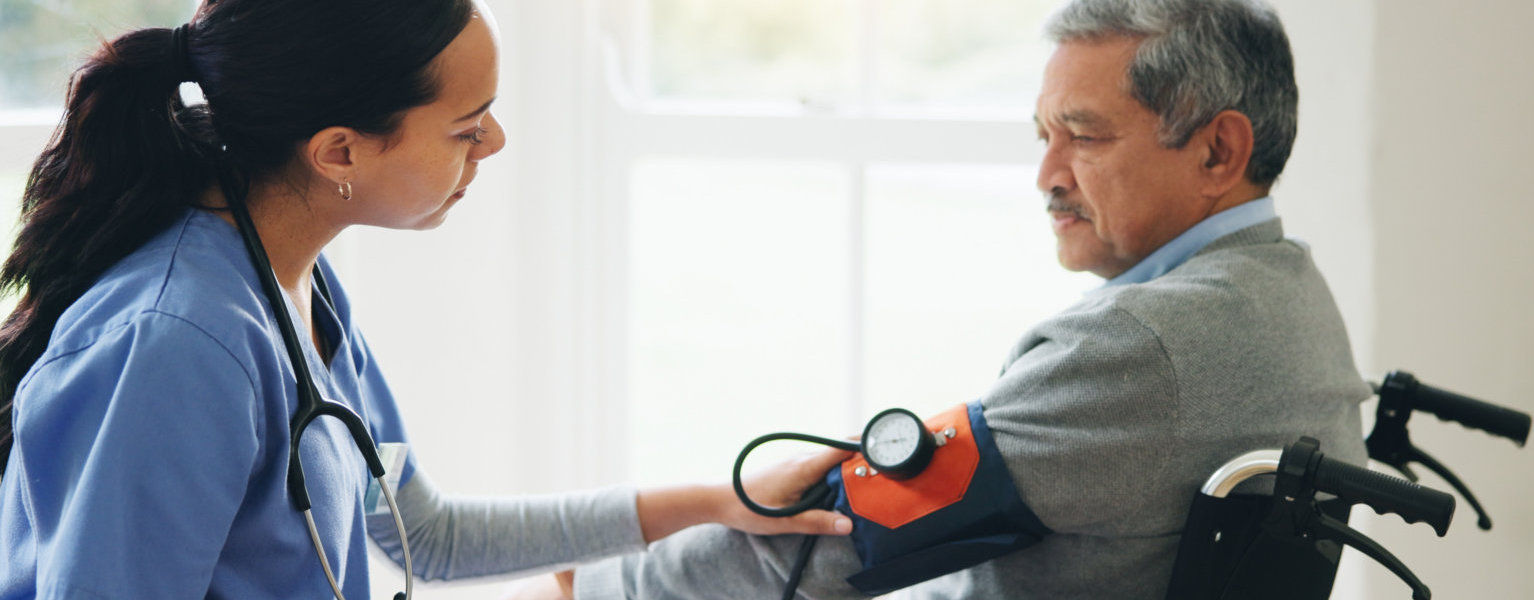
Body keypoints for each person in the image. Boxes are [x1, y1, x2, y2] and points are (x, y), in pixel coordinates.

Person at [0, 0, 852, 597]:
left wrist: (720, 500)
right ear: (339, 152)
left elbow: (422, 531)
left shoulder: (295, 284)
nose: (495, 143)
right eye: (466, 127)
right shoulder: (175, 345)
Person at [540, 0, 1369, 598]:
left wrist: (592, 588)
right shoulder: (1291, 294)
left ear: (1218, 152)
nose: (1045, 175)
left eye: (1084, 136)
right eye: (1043, 136)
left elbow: (827, 539)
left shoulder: (1142, 346)